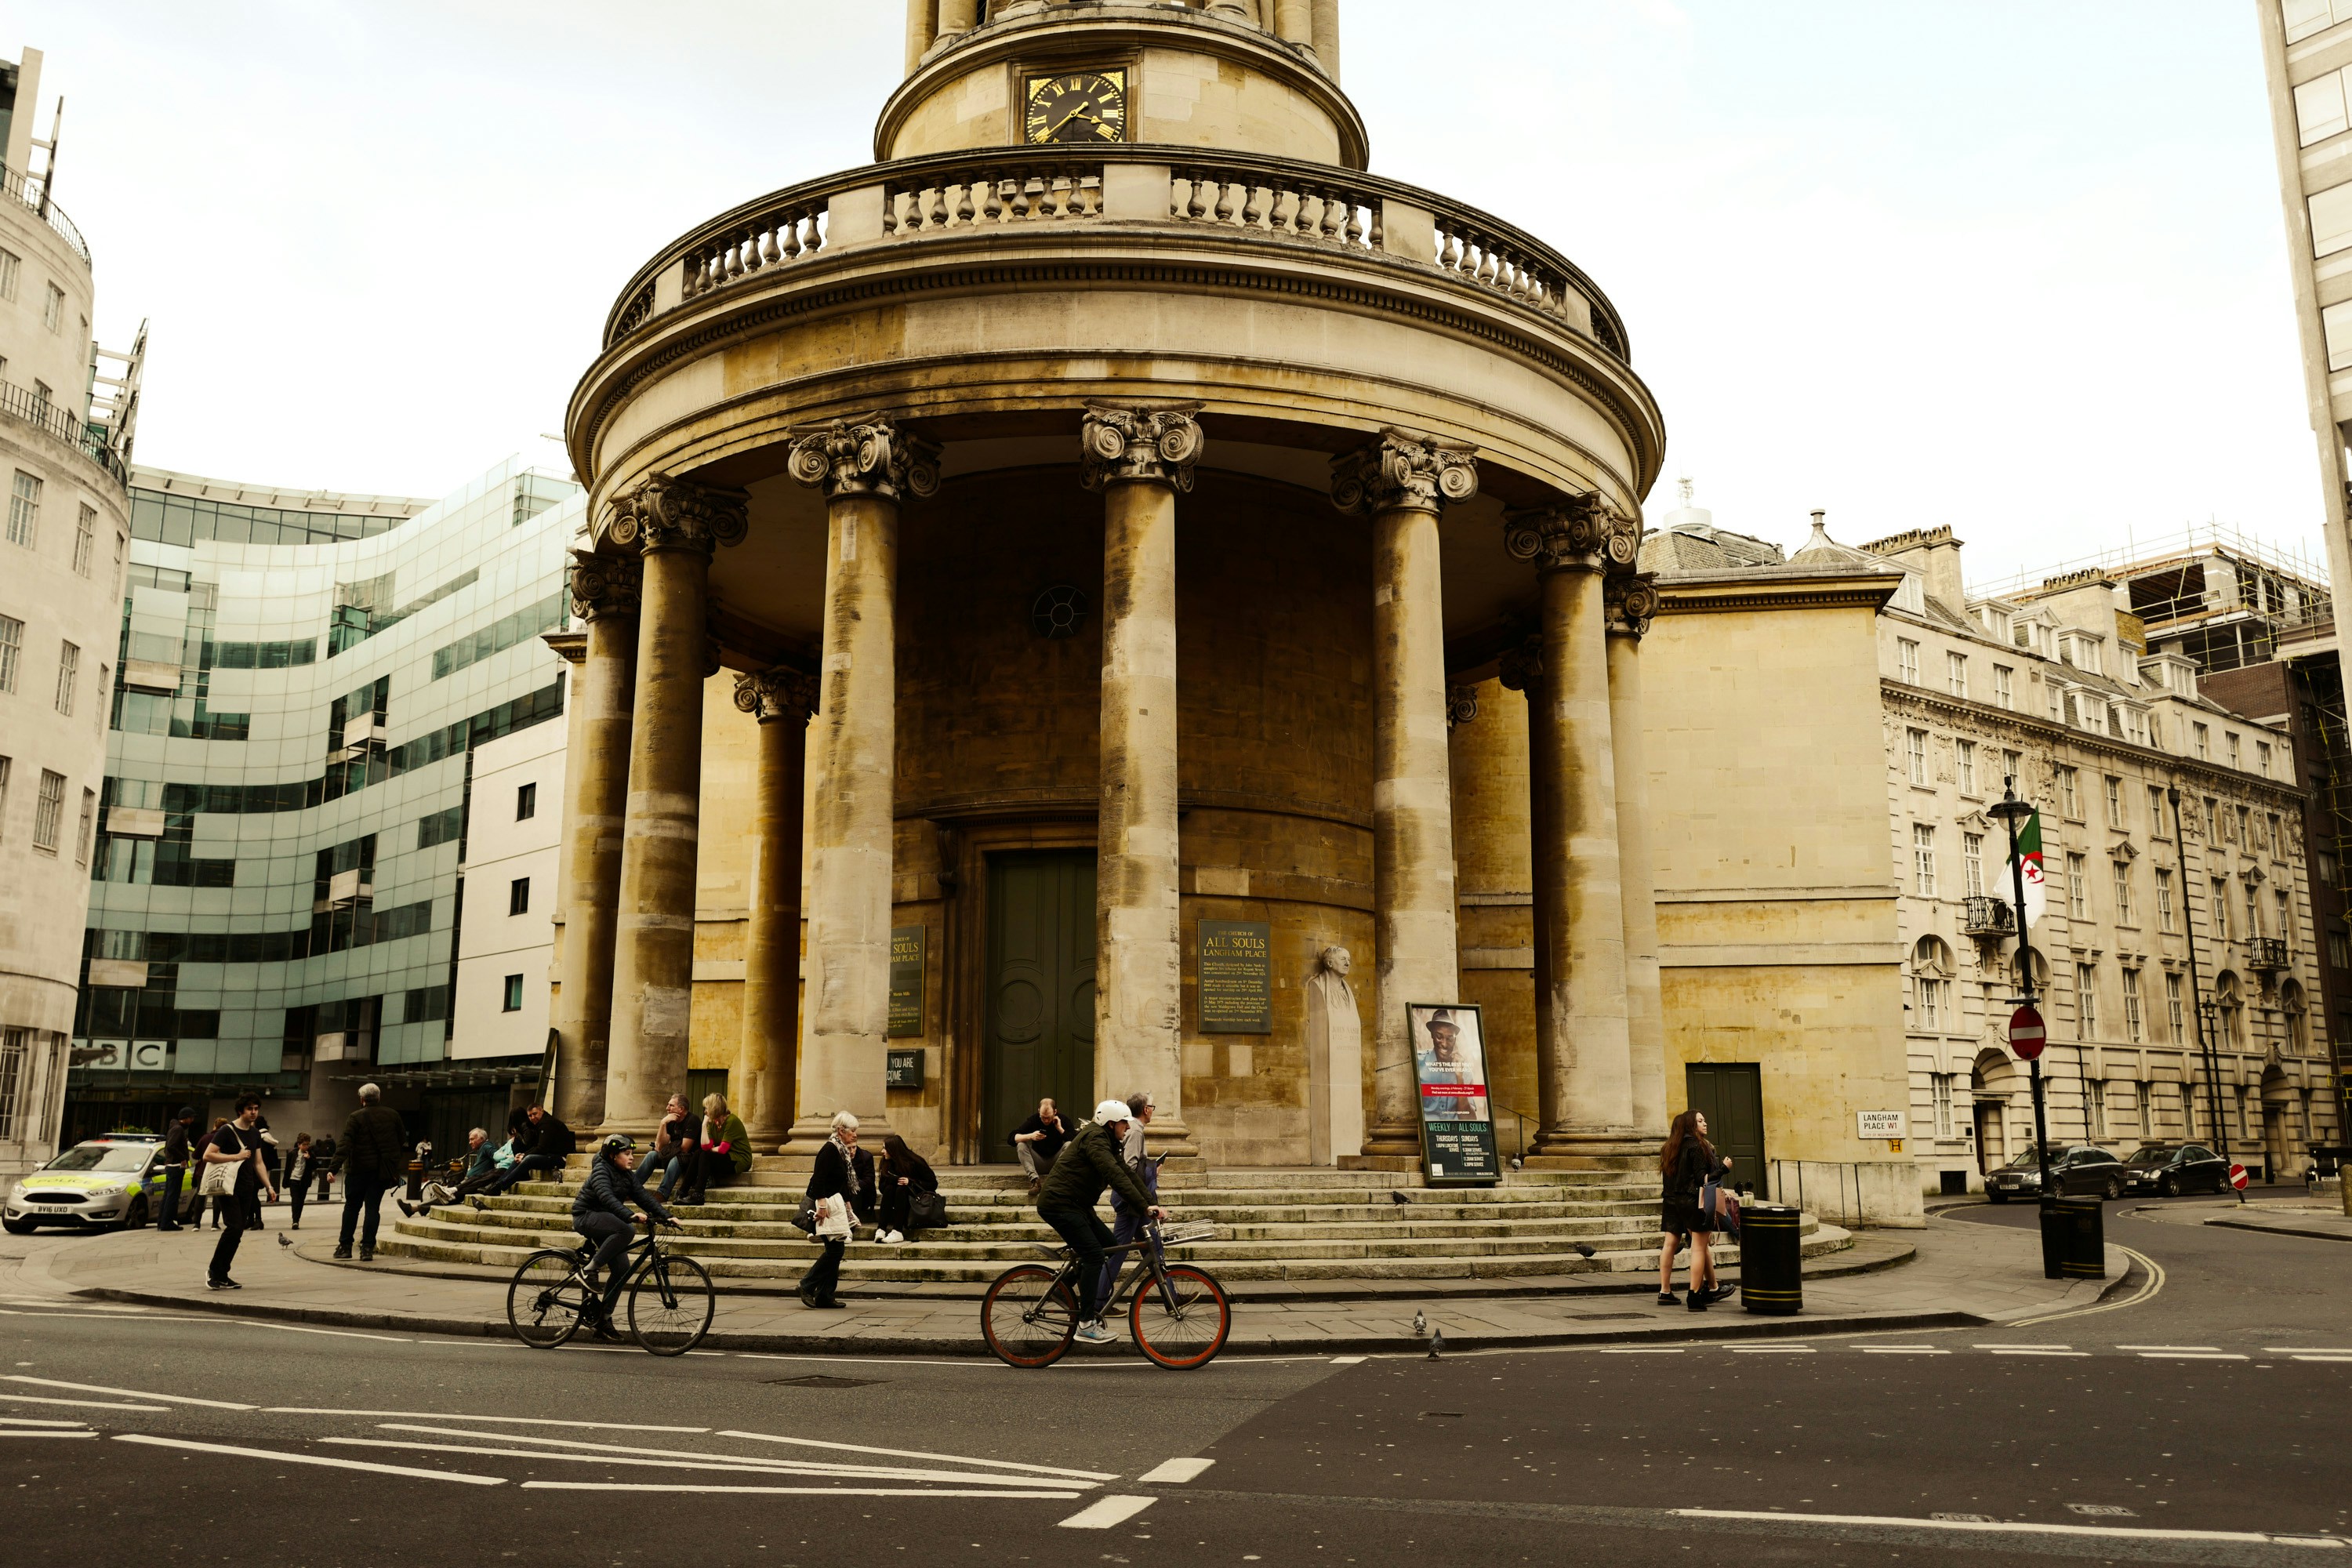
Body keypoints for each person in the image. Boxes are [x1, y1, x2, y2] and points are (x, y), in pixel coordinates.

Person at [1038, 1100, 1165, 1344]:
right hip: (1059, 1204)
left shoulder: (1108, 1142)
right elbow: (1114, 1175)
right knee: (1094, 1255)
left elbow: (1127, 1173)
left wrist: (1150, 1202)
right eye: (1123, 1124)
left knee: (1107, 1245)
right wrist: (1143, 1207)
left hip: (1077, 1204)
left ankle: (1061, 1289)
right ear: (1111, 1123)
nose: (1127, 1129)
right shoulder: (1095, 1140)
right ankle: (1086, 1323)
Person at [572, 1134, 678, 1341]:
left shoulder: (627, 1175)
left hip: (606, 1220)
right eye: (627, 1154)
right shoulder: (601, 1170)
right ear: (613, 1156)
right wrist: (629, 1215)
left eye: (632, 1154)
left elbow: (643, 1197)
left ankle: (603, 1320)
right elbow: (606, 1197)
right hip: (586, 1216)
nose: (631, 1158)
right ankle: (589, 1270)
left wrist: (667, 1216)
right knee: (627, 1230)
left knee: (621, 1269)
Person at [1657, 1108, 1736, 1311]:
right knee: (1699, 1248)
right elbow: (1703, 1179)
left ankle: (1668, 1290)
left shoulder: (1671, 1148)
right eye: (1701, 1121)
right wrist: (1724, 1169)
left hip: (1673, 1200)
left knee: (1675, 1244)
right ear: (1690, 1125)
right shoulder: (1696, 1146)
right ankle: (1695, 1295)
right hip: (1694, 1200)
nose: (1705, 1123)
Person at [799, 1111, 875, 1309]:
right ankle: (807, 1285)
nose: (855, 1134)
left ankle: (825, 1295)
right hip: (827, 1205)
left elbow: (842, 1182)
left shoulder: (841, 1150)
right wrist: (822, 1205)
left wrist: (849, 1206)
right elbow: (818, 1179)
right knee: (835, 1250)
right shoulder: (830, 1149)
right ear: (841, 1130)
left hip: (836, 1204)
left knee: (835, 1249)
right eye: (852, 1130)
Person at [202, 1095, 277, 1290]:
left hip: (247, 1186)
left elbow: (258, 1163)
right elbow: (208, 1154)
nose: (253, 1112)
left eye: (256, 1108)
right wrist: (237, 1156)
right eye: (249, 1109)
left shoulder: (254, 1134)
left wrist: (269, 1187)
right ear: (240, 1111)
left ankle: (222, 1274)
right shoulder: (227, 1131)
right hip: (227, 1187)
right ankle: (213, 1271)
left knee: (238, 1230)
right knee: (234, 1227)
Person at [1094, 1092, 1160, 1312]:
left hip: (1135, 1201)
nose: (1153, 1109)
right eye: (1152, 1106)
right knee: (1117, 1252)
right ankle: (1098, 1302)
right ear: (1146, 1109)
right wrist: (1150, 1170)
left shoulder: (1133, 1130)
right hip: (1130, 1202)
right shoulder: (1135, 1132)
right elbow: (1129, 1169)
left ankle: (1172, 1296)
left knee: (1154, 1249)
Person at [334, 1083, 408, 1262]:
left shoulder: (355, 1117)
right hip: (380, 1172)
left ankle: (345, 1247)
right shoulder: (393, 1115)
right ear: (379, 1097)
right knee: (373, 1209)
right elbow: (401, 1140)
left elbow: (345, 1144)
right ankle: (367, 1249)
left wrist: (333, 1168)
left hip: (358, 1170)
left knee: (352, 1207)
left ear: (362, 1099)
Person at [399, 1128, 499, 1218]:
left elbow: (496, 1155)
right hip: (470, 1183)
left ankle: (414, 1209)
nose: (470, 1142)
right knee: (446, 1195)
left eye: (472, 1139)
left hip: (474, 1184)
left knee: (447, 1196)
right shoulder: (482, 1148)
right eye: (470, 1139)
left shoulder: (487, 1146)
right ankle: (417, 1209)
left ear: (481, 1139)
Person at [483, 1104, 576, 1197]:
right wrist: (522, 1155)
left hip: (561, 1158)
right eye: (530, 1116)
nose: (532, 1117)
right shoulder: (540, 1124)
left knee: (529, 1159)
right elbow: (538, 1147)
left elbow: (542, 1148)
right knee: (518, 1159)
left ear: (542, 1111)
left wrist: (525, 1156)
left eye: (535, 1114)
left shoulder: (548, 1123)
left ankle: (501, 1186)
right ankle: (497, 1184)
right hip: (549, 1155)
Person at [677, 1093, 751, 1207]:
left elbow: (723, 1149)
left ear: (714, 1108)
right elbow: (706, 1146)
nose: (705, 1111)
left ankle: (698, 1195)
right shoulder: (712, 1123)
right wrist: (704, 1125)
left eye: (707, 1108)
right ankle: (682, 1191)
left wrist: (710, 1150)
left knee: (705, 1155)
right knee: (699, 1153)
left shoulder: (732, 1121)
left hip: (739, 1159)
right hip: (725, 1157)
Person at [875, 1133, 938, 1245]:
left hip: (914, 1201)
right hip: (894, 1200)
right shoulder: (886, 1162)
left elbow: (932, 1184)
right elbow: (882, 1188)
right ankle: (881, 1229)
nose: (882, 1151)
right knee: (890, 1188)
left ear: (893, 1150)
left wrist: (911, 1182)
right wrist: (892, 1180)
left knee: (902, 1189)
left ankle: (898, 1231)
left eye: (885, 1148)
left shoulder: (915, 1161)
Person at [1007, 1098, 1069, 1197]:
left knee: (1069, 1145)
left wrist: (1060, 1129)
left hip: (1057, 1164)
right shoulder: (1034, 1120)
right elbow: (1011, 1138)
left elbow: (1076, 1141)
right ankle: (1035, 1182)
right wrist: (1030, 1136)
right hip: (1038, 1163)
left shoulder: (1063, 1120)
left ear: (1055, 1112)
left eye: (1048, 1117)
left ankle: (1058, 1181)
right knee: (1021, 1145)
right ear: (1038, 1112)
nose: (1045, 1120)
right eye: (1043, 1117)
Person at [156, 1105, 198, 1232]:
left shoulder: (174, 1128)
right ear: (185, 1118)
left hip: (172, 1165)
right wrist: (183, 1158)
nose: (192, 1121)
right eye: (191, 1118)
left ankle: (162, 1222)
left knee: (168, 1195)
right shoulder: (178, 1129)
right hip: (175, 1166)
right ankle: (167, 1222)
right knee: (173, 1196)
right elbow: (171, 1147)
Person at [648, 1094, 697, 1201]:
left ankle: (662, 1193)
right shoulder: (670, 1121)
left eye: (671, 1105)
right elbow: (660, 1147)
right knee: (652, 1155)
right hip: (672, 1154)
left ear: (681, 1109)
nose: (667, 1108)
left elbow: (685, 1149)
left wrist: (669, 1147)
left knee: (677, 1159)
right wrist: (663, 1124)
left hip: (690, 1158)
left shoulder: (692, 1120)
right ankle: (632, 1188)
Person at [283, 1134, 317, 1229]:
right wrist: (285, 1182)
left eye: (308, 1144)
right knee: (295, 1200)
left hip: (304, 1181)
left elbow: (315, 1165)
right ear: (299, 1145)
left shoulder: (311, 1153)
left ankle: (297, 1219)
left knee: (301, 1201)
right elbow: (287, 1169)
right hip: (294, 1179)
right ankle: (295, 1221)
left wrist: (309, 1159)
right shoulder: (292, 1154)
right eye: (304, 1144)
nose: (306, 1146)